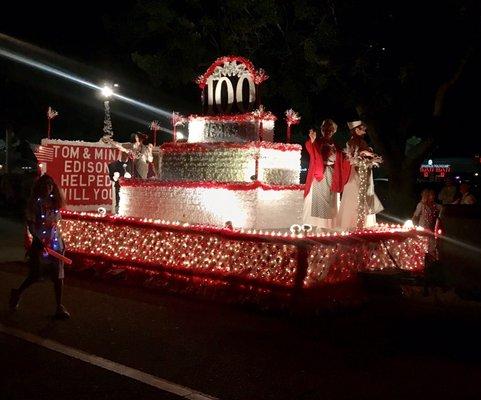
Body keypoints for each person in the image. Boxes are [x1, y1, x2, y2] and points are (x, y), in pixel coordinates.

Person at [9, 174, 70, 319]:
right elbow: (30, 224)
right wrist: (39, 240)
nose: (48, 188)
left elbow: (56, 224)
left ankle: (59, 306)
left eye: (50, 185)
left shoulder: (55, 202)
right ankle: (17, 293)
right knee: (35, 275)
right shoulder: (34, 204)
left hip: (55, 243)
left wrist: (61, 240)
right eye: (45, 185)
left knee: (58, 276)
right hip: (40, 243)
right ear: (39, 187)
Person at [337, 120, 383, 230]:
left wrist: (368, 155)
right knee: (356, 193)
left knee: (365, 193)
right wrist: (365, 153)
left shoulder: (362, 142)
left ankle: (364, 221)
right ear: (356, 130)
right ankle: (354, 221)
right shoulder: (352, 142)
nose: (364, 132)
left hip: (364, 169)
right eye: (362, 129)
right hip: (356, 172)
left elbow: (364, 153)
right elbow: (353, 156)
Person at [302, 119, 347, 230]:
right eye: (325, 129)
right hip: (320, 173)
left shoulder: (335, 144)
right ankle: (319, 224)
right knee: (320, 199)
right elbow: (310, 148)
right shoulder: (318, 141)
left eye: (330, 130)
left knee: (331, 198)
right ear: (322, 130)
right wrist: (312, 141)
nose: (328, 132)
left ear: (334, 131)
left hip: (332, 173)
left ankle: (329, 224)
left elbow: (341, 157)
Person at [412, 188, 442, 259]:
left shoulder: (435, 205)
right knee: (422, 247)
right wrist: (413, 226)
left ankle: (432, 261)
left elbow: (443, 208)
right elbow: (415, 216)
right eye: (431, 195)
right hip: (422, 229)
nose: (433, 197)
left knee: (432, 247)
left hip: (431, 229)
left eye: (433, 195)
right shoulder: (421, 205)